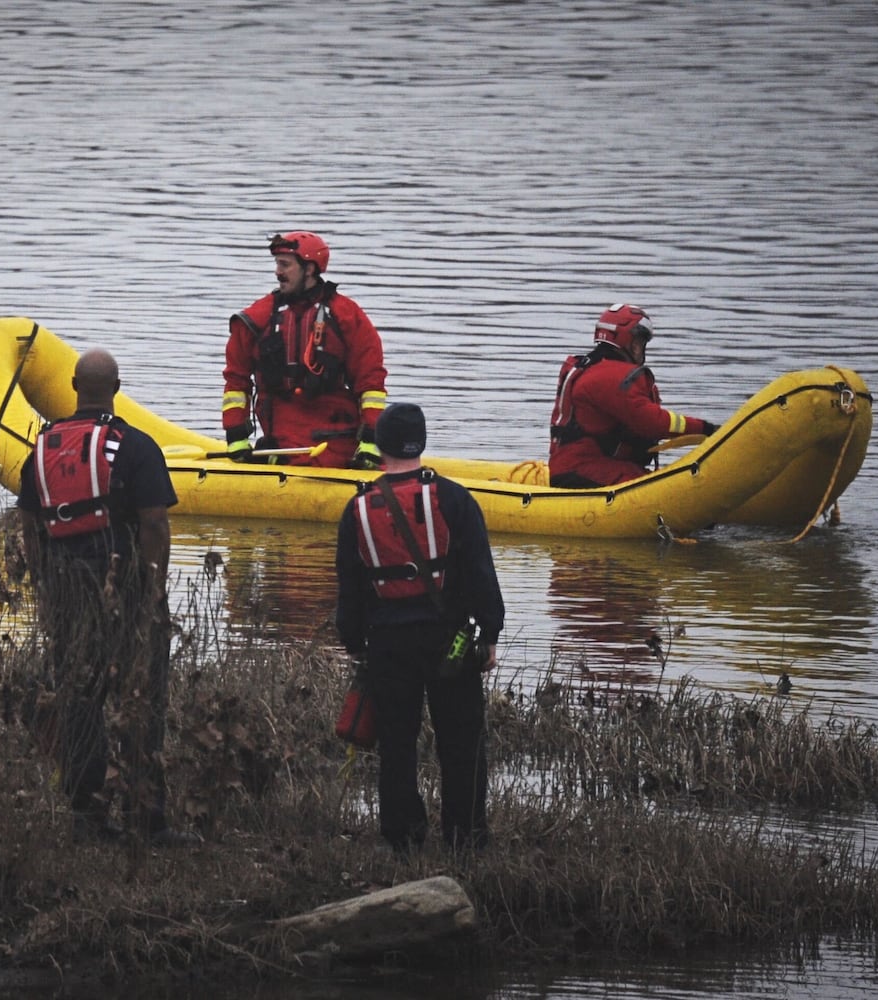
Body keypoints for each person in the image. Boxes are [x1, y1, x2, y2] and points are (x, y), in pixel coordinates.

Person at [17, 349, 197, 847]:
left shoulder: (43, 449)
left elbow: (30, 529)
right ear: (118, 388)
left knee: (79, 701)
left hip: (68, 597)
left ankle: (86, 818)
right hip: (129, 595)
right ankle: (147, 819)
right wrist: (153, 592)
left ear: (74, 385)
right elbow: (155, 523)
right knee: (143, 701)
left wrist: (45, 590)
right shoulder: (136, 446)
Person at [335, 402, 506, 855]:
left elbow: (349, 588)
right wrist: (489, 634)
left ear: (379, 447)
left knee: (396, 742)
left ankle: (402, 838)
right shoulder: (454, 499)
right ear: (423, 443)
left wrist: (354, 643)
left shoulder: (357, 509)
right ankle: (465, 839)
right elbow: (480, 573)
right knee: (462, 741)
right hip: (450, 641)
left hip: (388, 644)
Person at [222, 231, 389, 469]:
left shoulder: (347, 317)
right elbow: (236, 380)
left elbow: (370, 382)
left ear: (309, 269)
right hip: (282, 441)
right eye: (277, 264)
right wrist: (236, 438)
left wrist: (371, 440)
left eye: (285, 265)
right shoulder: (257, 318)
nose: (277, 272)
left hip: (338, 439)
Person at [548, 303, 722, 488]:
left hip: (580, 465)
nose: (641, 348)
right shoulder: (609, 377)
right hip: (585, 469)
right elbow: (653, 423)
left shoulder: (588, 367)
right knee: (654, 486)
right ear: (628, 341)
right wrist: (706, 429)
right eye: (640, 342)